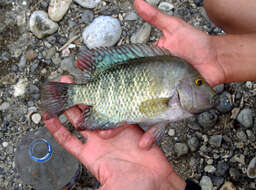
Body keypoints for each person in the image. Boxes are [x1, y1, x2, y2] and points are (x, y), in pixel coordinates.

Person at [43, 0, 256, 189]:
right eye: (198, 83)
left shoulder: (179, 82)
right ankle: (67, 95)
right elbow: (151, 110)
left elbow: (152, 112)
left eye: (200, 82)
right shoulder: (176, 88)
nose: (205, 88)